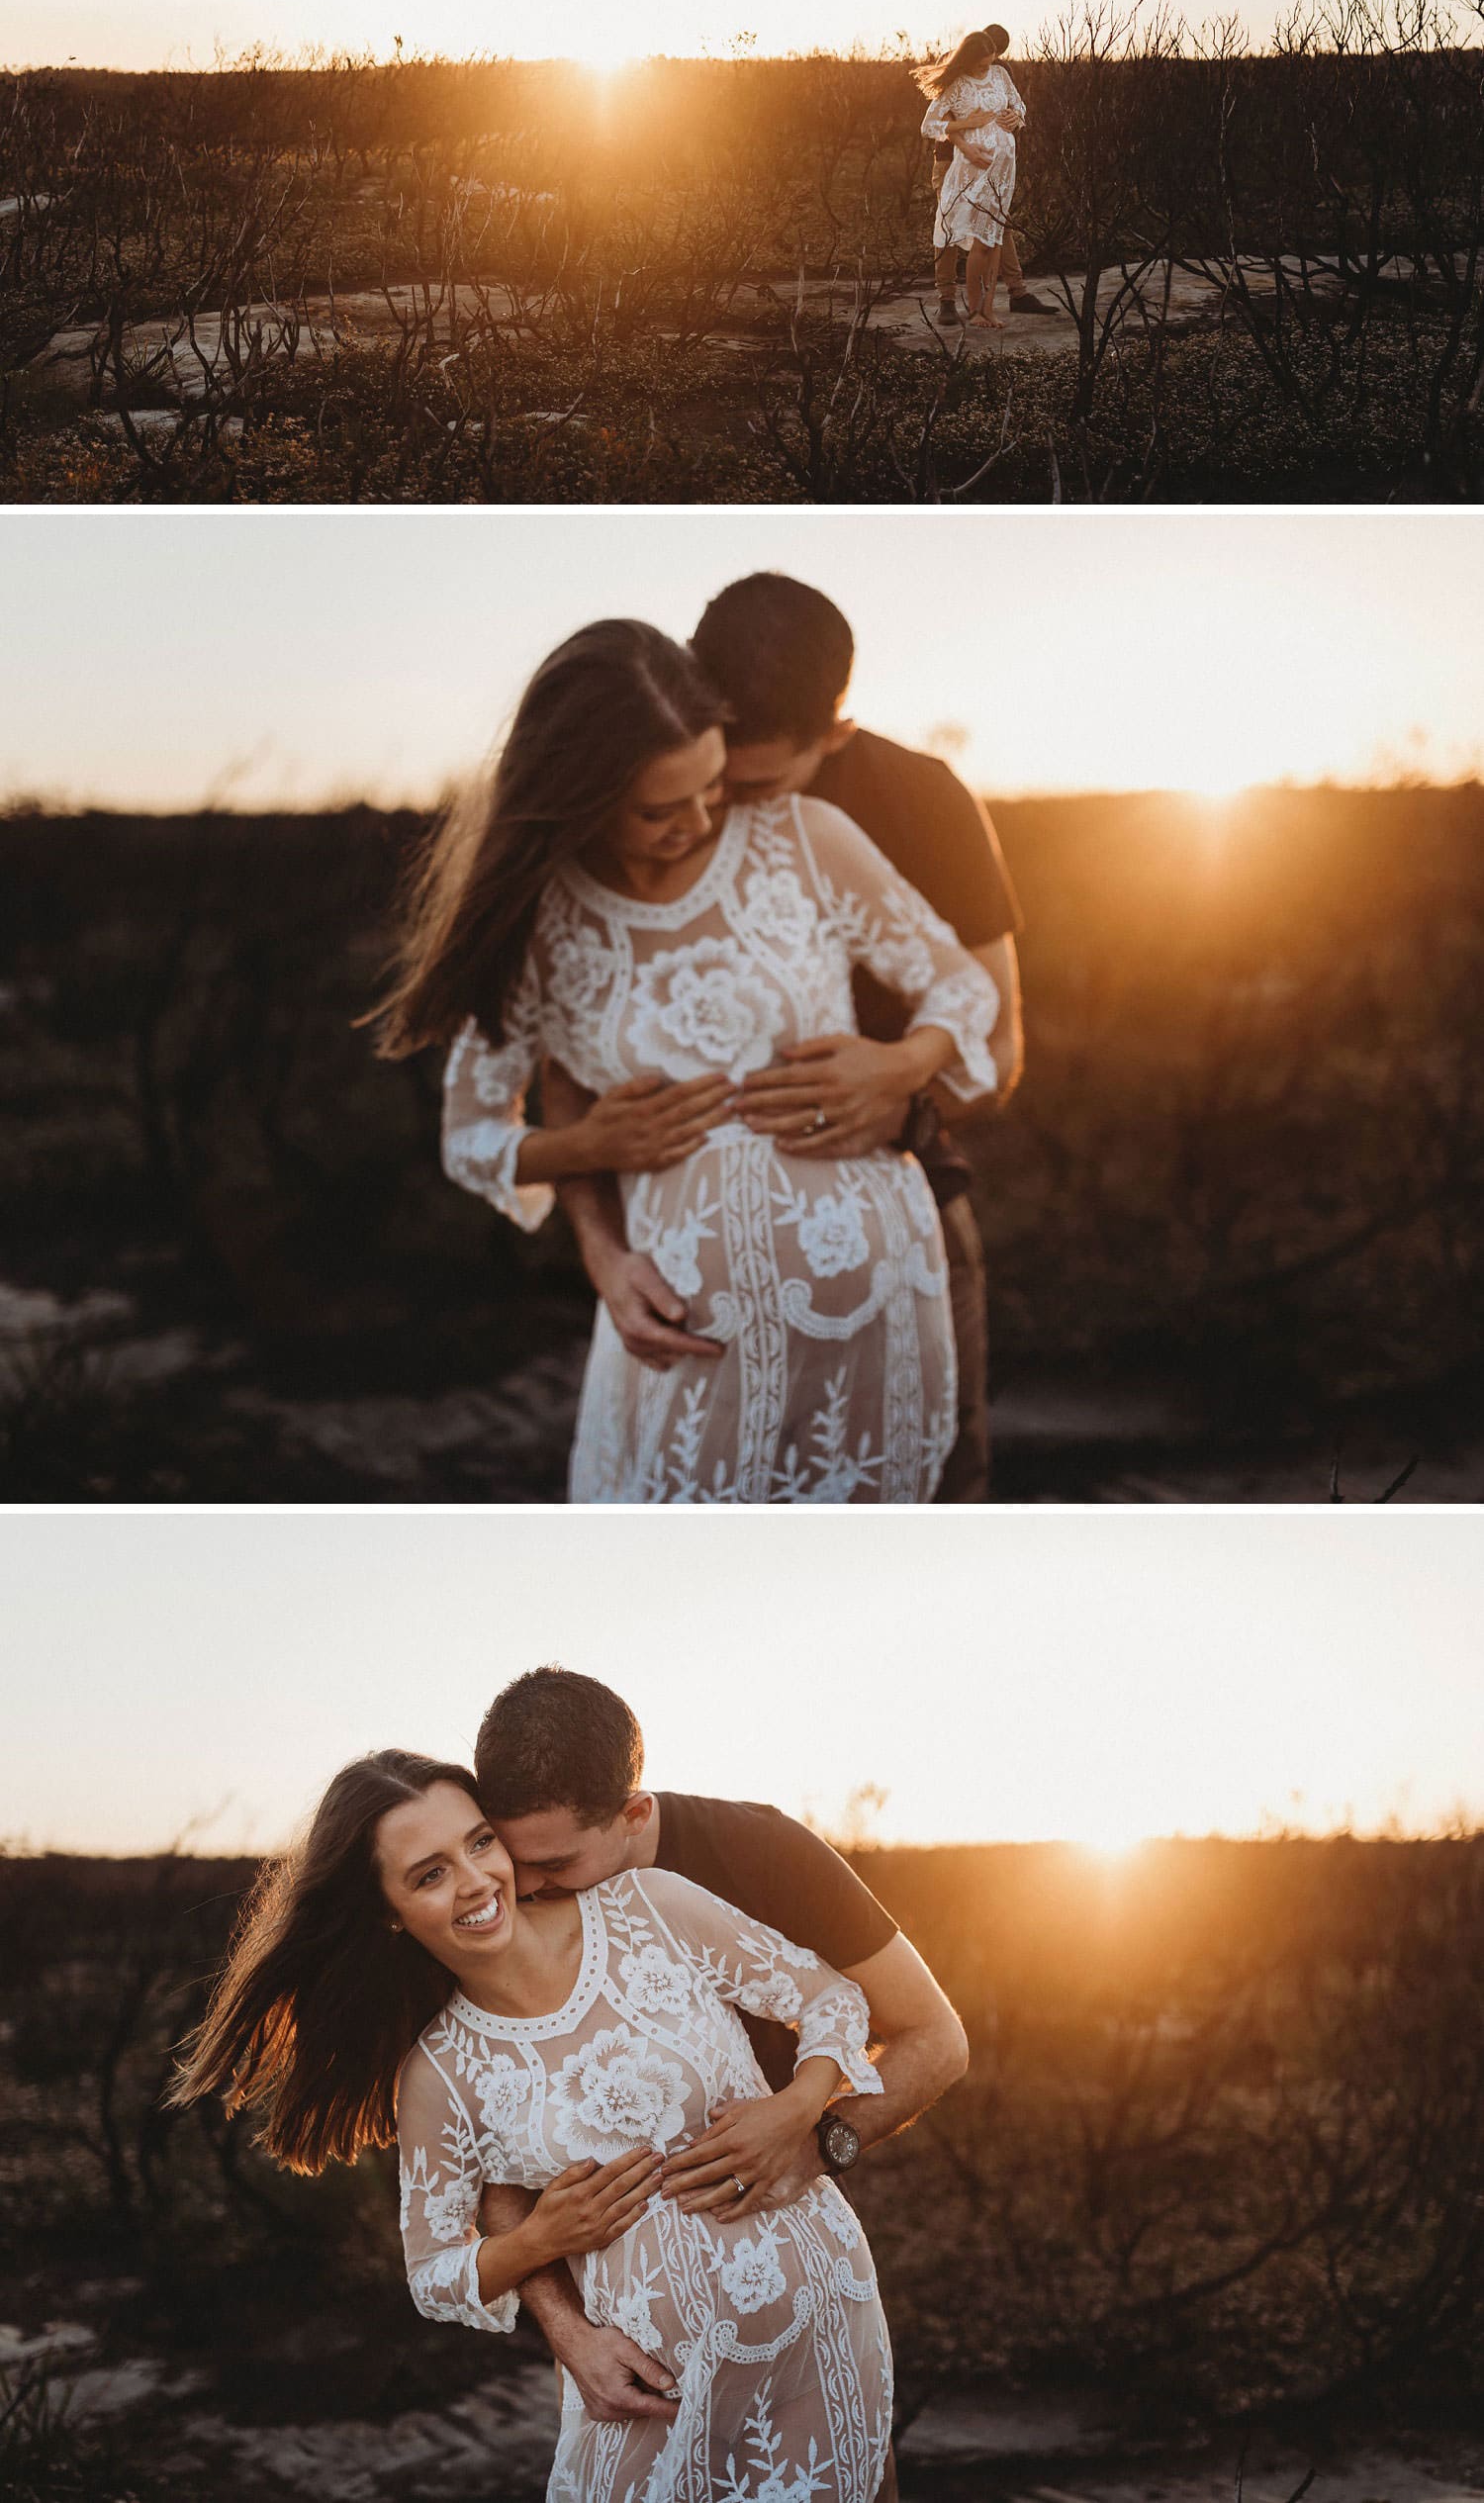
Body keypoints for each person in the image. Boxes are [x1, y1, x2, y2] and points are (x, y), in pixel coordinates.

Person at [373, 617, 1000, 1504]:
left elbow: (965, 991)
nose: (701, 820)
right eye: (659, 809)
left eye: (713, 785)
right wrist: (591, 1146)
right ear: (580, 795)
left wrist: (898, 1066)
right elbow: (474, 1137)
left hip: (875, 1305)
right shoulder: (541, 923)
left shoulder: (805, 838)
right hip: (685, 1334)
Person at [171, 1747, 896, 2503]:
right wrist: (538, 2242)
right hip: (651, 2385)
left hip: (820, 2310)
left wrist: (796, 2107)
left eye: (480, 1842)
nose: (476, 1882)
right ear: (388, 1911)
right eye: (430, 1874)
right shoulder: (439, 2075)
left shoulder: (652, 1908)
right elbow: (433, 2273)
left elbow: (831, 2000)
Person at [552, 578, 1024, 1502]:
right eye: (708, 772)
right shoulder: (637, 790)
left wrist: (898, 1088)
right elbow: (564, 1073)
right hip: (682, 1277)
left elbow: (1002, 1046)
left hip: (911, 1237)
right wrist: (603, 1254)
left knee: (931, 1513)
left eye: (756, 783)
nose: (714, 811)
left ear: (834, 737)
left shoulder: (922, 801)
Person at [470, 1668, 968, 2503]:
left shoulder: (762, 1853)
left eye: (554, 1863)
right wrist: (567, 2333)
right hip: (633, 2349)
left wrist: (818, 2138)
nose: (526, 1891)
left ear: (633, 1814)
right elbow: (493, 2161)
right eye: (513, 1862)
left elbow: (937, 2039)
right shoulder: (497, 1895)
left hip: (800, 2306)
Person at [924, 22, 1056, 326]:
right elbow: (944, 119)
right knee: (951, 223)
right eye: (990, 54)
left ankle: (1016, 292)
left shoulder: (998, 69)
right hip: (951, 160)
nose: (992, 61)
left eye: (997, 56)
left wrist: (1015, 117)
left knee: (997, 226)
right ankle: (947, 299)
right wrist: (966, 146)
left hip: (995, 162)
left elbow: (1010, 105)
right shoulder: (955, 63)